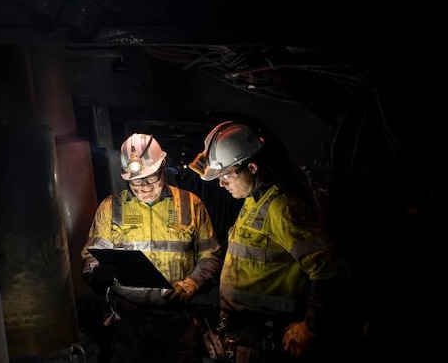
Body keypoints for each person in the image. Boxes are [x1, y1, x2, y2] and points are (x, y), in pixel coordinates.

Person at [188, 121, 355, 363]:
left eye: (226, 176)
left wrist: (310, 326)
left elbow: (331, 270)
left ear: (252, 167)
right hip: (242, 337)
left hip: (269, 338)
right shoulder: (252, 200)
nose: (221, 184)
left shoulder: (282, 207)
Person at [81, 133, 222, 363]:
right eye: (136, 181)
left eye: (150, 177)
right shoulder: (110, 208)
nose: (144, 187)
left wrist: (191, 283)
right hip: (128, 323)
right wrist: (95, 272)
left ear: (163, 167)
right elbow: (91, 256)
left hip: (177, 323)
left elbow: (211, 256)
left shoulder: (191, 205)